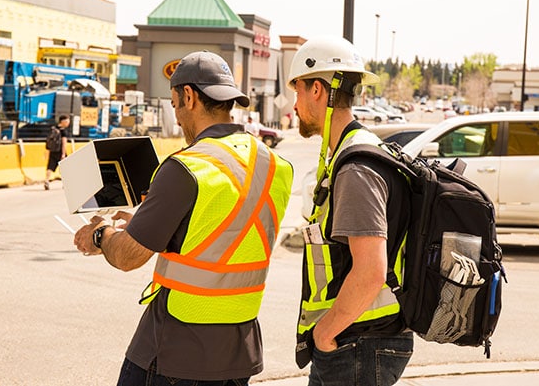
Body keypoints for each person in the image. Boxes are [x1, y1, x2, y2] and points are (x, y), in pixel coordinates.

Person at [73, 50, 293, 386]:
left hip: (174, 351)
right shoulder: (277, 166)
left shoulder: (186, 166)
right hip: (238, 353)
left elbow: (129, 256)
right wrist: (147, 223)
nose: (176, 116)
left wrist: (101, 234)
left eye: (175, 103)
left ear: (188, 96)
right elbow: (223, 229)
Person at [287, 36, 413, 386]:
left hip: (356, 345)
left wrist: (325, 334)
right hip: (355, 341)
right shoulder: (355, 153)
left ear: (316, 90)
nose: (292, 102)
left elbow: (372, 271)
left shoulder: (356, 168)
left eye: (296, 89)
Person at [44, 114, 70, 190]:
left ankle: (46, 180)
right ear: (63, 122)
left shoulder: (53, 128)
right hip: (60, 151)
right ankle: (65, 183)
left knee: (50, 167)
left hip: (53, 151)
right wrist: (63, 154)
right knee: (65, 167)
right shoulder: (63, 131)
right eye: (67, 121)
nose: (68, 123)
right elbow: (64, 143)